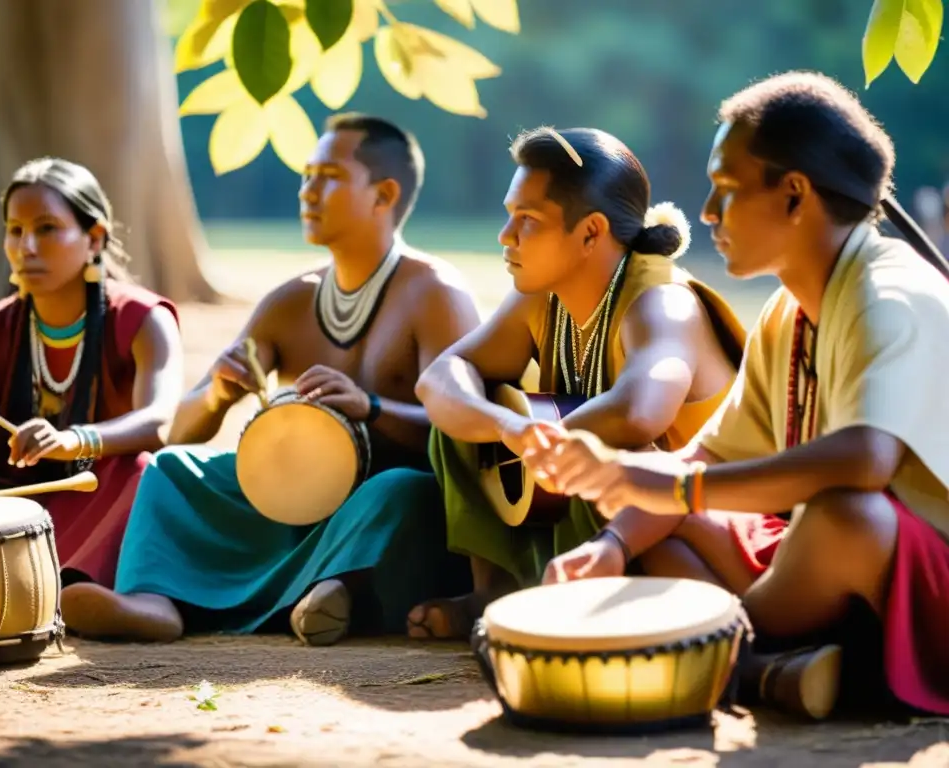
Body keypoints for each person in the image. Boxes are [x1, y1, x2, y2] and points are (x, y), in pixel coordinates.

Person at [529, 71, 949, 720]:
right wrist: (610, 547)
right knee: (656, 530)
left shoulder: (888, 297)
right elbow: (701, 463)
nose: (705, 213)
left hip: (909, 570)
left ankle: (724, 656)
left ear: (794, 196)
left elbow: (866, 461)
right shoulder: (789, 310)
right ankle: (769, 670)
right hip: (811, 570)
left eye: (725, 188)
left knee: (846, 515)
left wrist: (668, 488)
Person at [59, 113, 480, 645]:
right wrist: (216, 393)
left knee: (398, 491)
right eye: (306, 175)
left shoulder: (436, 293)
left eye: (328, 176)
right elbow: (180, 431)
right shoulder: (291, 301)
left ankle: (336, 591)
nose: (307, 191)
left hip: (379, 510)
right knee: (171, 468)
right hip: (293, 506)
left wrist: (371, 408)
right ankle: (155, 601)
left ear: (384, 193)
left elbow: (462, 427)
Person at [405, 126, 748, 640]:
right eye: (508, 215)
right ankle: (494, 592)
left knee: (608, 455)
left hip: (689, 525)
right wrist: (508, 427)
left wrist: (537, 442)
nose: (505, 235)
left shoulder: (661, 303)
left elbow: (639, 414)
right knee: (461, 422)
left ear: (590, 233)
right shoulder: (541, 297)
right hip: (597, 516)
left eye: (527, 221)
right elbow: (440, 379)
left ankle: (569, 605)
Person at [0, 157, 184, 591]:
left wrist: (73, 442)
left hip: (93, 494)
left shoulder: (143, 319)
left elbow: (157, 421)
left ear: (95, 237)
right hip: (3, 502)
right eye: (16, 230)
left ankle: (74, 588)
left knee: (142, 472)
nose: (26, 246)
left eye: (46, 228)